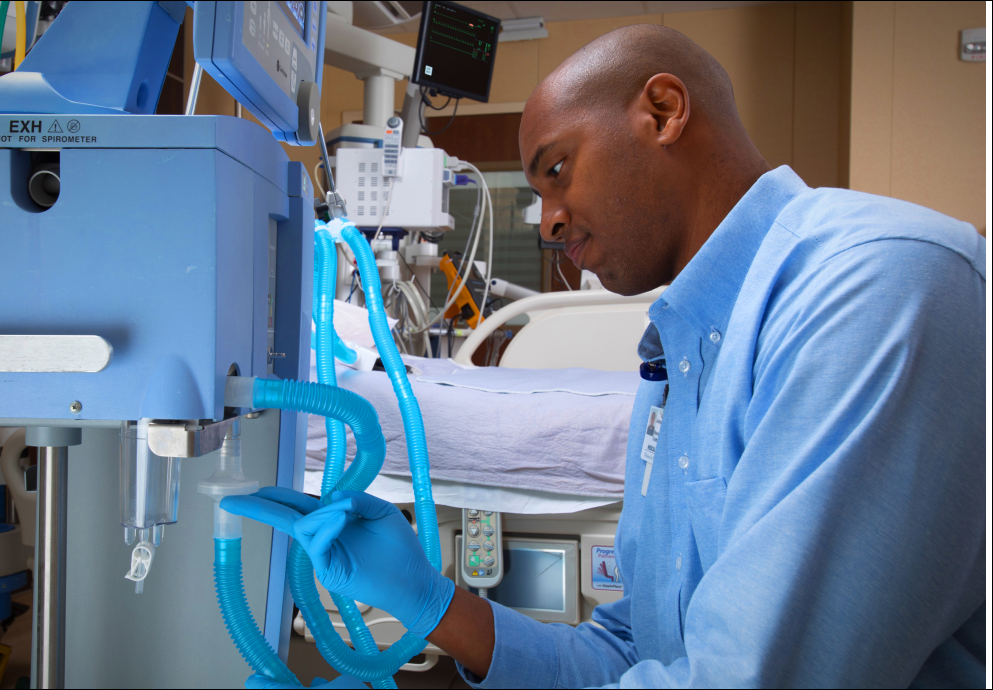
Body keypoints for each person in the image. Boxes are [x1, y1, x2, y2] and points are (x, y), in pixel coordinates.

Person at [226, 24, 986, 688]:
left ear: (663, 111)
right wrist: (435, 606)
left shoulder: (878, 286)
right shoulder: (680, 352)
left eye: (557, 171)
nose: (550, 222)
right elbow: (638, 648)